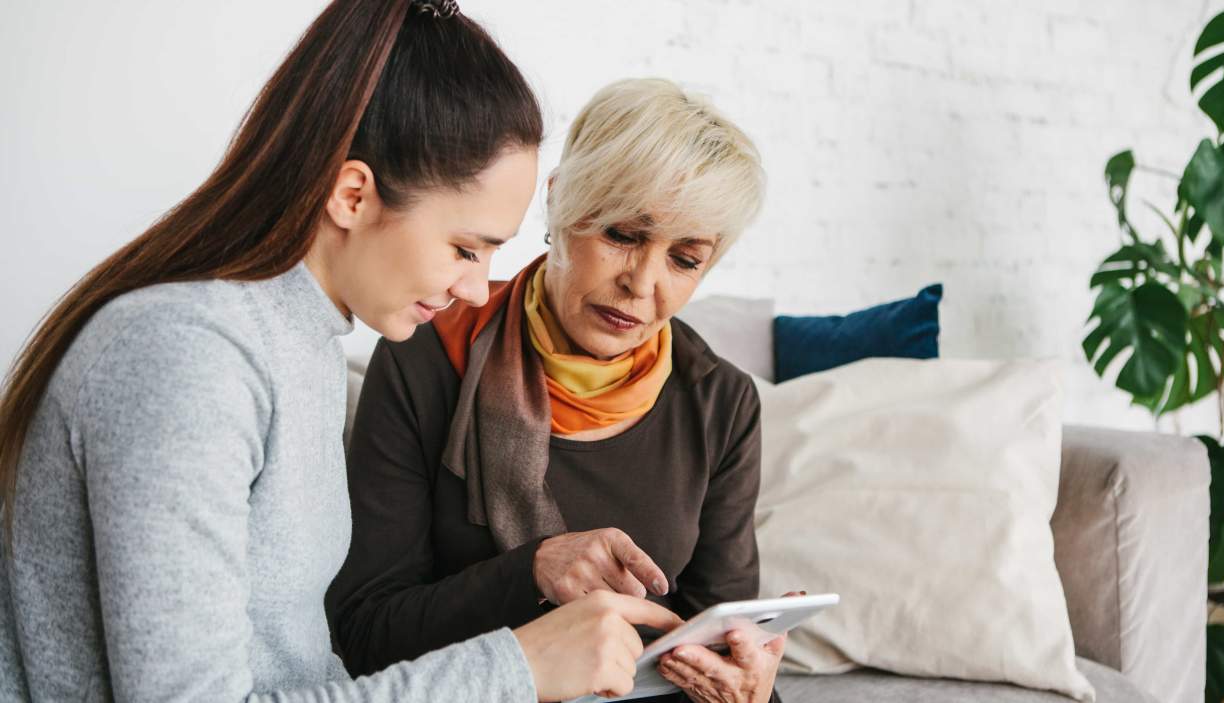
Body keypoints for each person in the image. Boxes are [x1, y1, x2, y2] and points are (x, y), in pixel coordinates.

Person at [0, 3, 680, 701]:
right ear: (353, 194)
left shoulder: (300, 341)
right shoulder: (186, 355)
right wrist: (516, 668)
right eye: (465, 248)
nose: (478, 289)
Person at [330, 78, 787, 703]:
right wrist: (534, 569)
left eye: (685, 258)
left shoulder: (721, 402)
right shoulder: (426, 354)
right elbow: (364, 632)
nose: (642, 284)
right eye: (623, 235)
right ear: (559, 205)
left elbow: (712, 635)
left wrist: (747, 689)